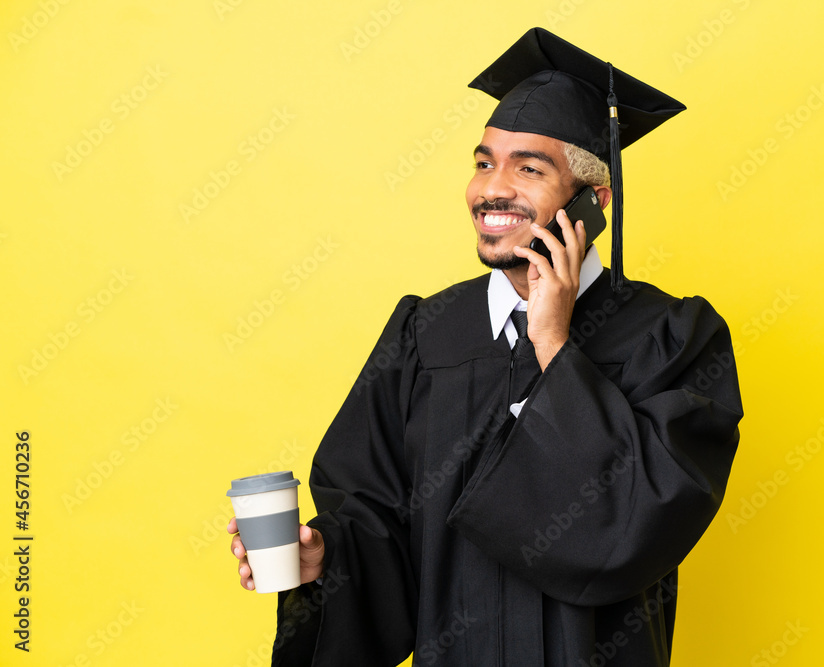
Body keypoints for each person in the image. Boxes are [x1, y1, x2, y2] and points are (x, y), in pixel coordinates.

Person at [229, 27, 742, 666]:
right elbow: (378, 516)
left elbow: (639, 520)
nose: (491, 189)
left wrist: (553, 343)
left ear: (594, 200)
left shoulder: (671, 338)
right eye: (483, 162)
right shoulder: (427, 333)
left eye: (529, 168)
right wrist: (325, 559)